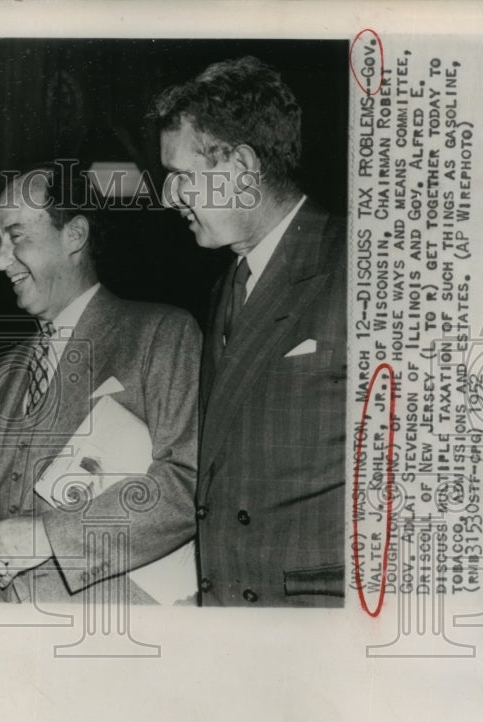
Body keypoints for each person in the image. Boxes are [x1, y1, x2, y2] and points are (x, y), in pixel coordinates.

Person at [0, 165, 201, 602]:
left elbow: (186, 485)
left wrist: (50, 537)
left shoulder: (161, 334)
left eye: (16, 236)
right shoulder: (4, 369)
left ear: (75, 235)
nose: (0, 261)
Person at [154, 56, 347, 607]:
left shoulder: (362, 261)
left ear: (239, 167)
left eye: (181, 177)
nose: (171, 198)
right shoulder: (227, 285)